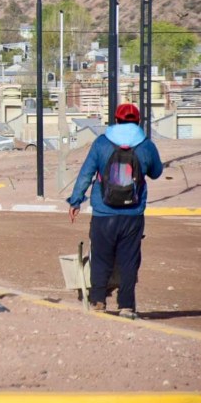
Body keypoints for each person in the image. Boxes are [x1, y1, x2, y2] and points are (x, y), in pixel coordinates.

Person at [67, 103, 162, 320]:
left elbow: (86, 174)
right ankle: (126, 306)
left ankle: (98, 300)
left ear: (116, 120)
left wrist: (75, 202)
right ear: (138, 122)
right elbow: (156, 172)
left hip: (103, 212)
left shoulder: (101, 143)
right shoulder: (146, 146)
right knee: (129, 260)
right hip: (133, 213)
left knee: (101, 257)